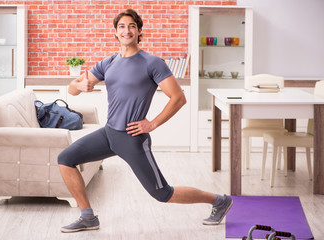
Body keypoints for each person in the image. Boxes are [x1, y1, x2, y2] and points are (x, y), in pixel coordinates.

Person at [58, 9, 233, 233]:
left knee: (162, 193)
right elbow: (73, 89)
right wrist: (79, 86)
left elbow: (178, 98)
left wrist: (152, 124)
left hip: (132, 139)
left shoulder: (152, 63)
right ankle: (88, 217)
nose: (126, 30)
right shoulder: (108, 62)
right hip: (109, 134)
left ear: (139, 31)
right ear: (115, 32)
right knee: (66, 159)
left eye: (131, 26)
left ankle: (219, 201)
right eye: (121, 26)